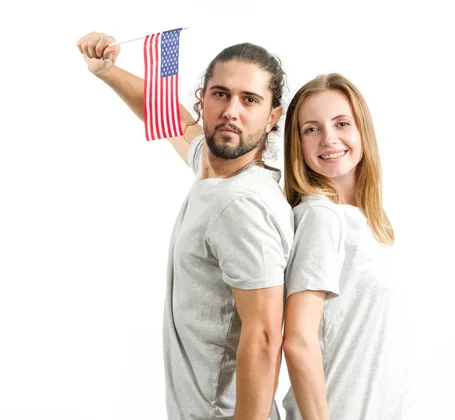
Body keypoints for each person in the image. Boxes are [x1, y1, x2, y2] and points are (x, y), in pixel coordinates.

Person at [76, 32, 293, 420]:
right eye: (220, 94)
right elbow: (173, 118)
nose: (232, 111)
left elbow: (263, 337)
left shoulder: (240, 204)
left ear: (273, 115)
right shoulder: (218, 174)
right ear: (203, 99)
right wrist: (107, 71)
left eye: (250, 100)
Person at [281, 73, 409, 419]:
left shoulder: (369, 223)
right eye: (312, 129)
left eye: (341, 123)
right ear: (298, 143)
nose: (329, 139)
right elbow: (297, 341)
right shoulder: (322, 216)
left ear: (361, 130)